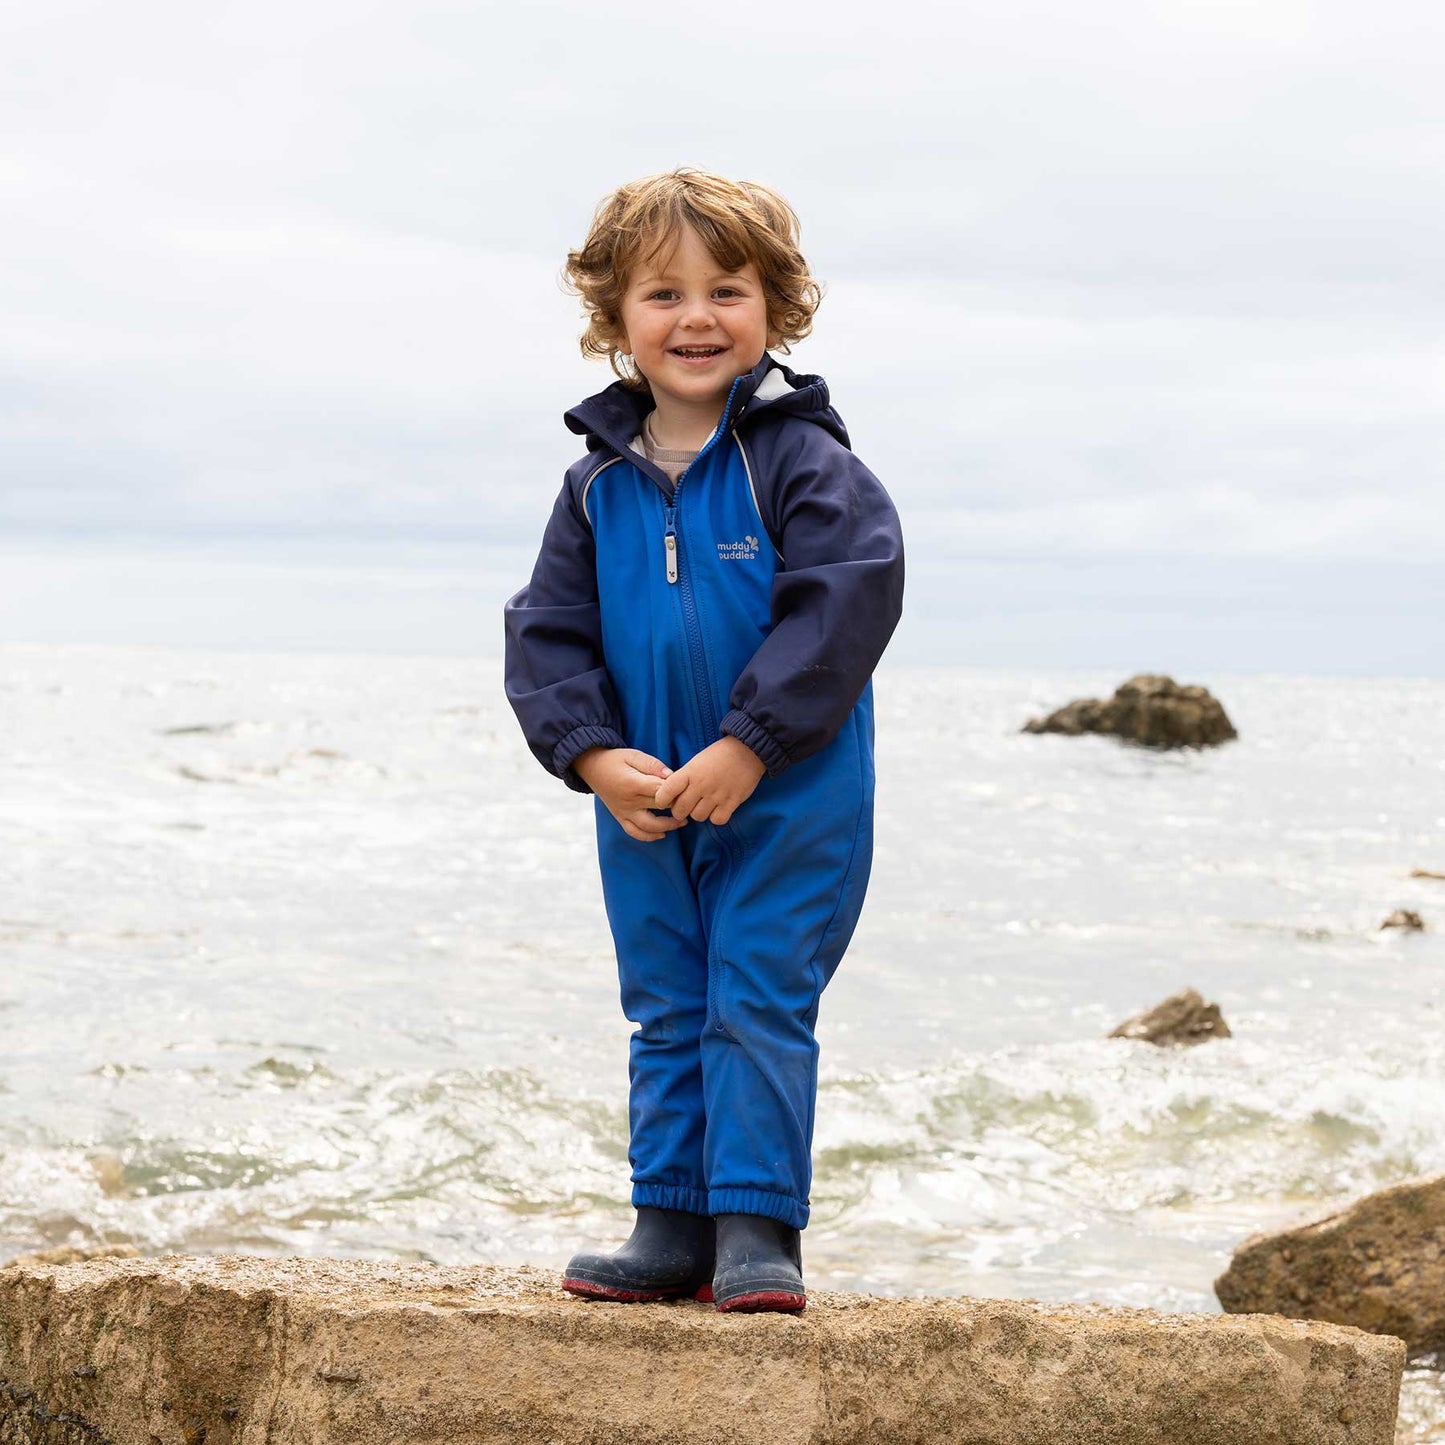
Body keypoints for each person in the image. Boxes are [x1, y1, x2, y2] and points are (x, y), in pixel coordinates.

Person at [504, 167, 904, 1313]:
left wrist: (749, 742)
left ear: (772, 308)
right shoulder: (595, 487)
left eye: (725, 289)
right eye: (661, 294)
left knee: (755, 990)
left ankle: (757, 1224)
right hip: (644, 797)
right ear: (612, 320)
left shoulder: (802, 462)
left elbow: (845, 602)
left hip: (790, 792)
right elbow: (545, 632)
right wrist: (589, 754)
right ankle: (668, 1217)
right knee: (667, 997)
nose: (695, 317)